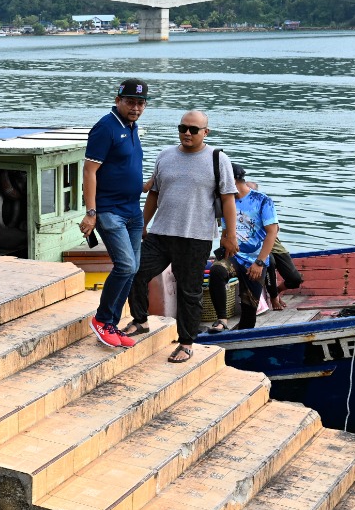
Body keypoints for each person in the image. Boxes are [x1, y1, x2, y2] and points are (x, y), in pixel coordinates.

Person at [122, 111, 237, 362]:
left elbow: (228, 199)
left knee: (189, 291)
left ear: (205, 132)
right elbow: (153, 193)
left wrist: (230, 234)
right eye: (182, 127)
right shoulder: (165, 156)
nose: (187, 133)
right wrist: (142, 224)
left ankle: (186, 343)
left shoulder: (218, 159)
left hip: (195, 237)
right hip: (161, 233)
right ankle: (140, 320)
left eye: (193, 129)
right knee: (133, 271)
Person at [78, 79, 150, 349]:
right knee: (126, 266)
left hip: (132, 210)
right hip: (110, 212)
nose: (135, 107)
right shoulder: (105, 127)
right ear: (118, 100)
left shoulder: (132, 126)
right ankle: (101, 319)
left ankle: (111, 324)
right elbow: (89, 172)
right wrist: (91, 213)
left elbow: (122, 166)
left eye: (140, 103)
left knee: (132, 270)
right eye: (130, 102)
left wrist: (143, 184)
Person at [207, 166, 280, 333]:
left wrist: (260, 263)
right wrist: (223, 244)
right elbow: (225, 233)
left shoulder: (262, 200)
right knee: (217, 271)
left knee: (249, 313)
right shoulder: (226, 202)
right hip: (235, 257)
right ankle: (222, 319)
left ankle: (239, 339)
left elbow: (272, 233)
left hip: (256, 261)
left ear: (231, 181)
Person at [245, 177, 304, 309]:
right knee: (269, 261)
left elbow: (274, 230)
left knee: (295, 279)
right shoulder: (238, 207)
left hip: (273, 244)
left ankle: (276, 291)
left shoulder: (264, 206)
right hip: (253, 247)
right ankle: (273, 298)